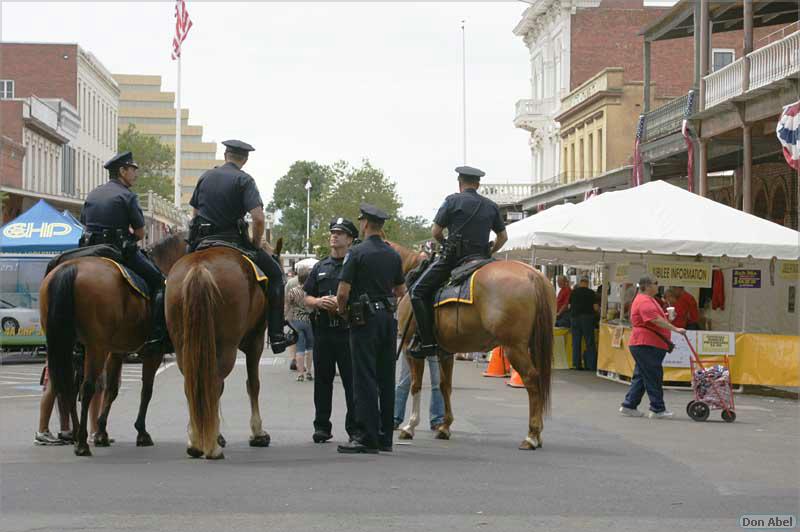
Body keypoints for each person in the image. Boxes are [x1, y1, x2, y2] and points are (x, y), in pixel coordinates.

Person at [187, 139, 294, 353]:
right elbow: (259, 218)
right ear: (244, 159)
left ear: (225, 155)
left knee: (168, 278)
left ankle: (163, 330)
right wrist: (255, 243)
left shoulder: (205, 177)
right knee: (275, 276)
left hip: (202, 241)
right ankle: (277, 335)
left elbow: (195, 214)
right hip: (233, 241)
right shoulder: (244, 180)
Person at [409, 166, 507, 356]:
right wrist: (490, 250)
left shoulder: (452, 201)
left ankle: (428, 343)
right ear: (478, 184)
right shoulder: (491, 205)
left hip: (455, 258)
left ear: (460, 183)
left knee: (417, 292)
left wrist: (446, 244)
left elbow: (435, 232)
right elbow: (503, 237)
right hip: (482, 259)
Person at [79, 151, 169, 349]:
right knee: (161, 283)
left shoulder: (93, 193)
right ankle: (156, 334)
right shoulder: (128, 196)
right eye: (132, 170)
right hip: (117, 251)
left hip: (88, 250)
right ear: (122, 171)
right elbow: (139, 233)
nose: (135, 174)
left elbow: (84, 222)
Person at [335, 204, 406, 454]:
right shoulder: (393, 254)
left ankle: (366, 436)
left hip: (363, 319)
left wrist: (343, 311)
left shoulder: (356, 253)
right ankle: (385, 436)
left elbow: (343, 291)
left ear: (365, 224)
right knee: (386, 377)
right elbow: (400, 291)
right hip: (387, 318)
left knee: (364, 377)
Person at [304, 217, 359, 444]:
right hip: (323, 333)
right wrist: (317, 302)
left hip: (347, 333)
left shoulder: (355, 264)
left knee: (351, 383)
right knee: (322, 383)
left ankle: (355, 428)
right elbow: (304, 295)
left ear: (350, 239)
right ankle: (322, 427)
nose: (334, 236)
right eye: (333, 232)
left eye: (340, 233)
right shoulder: (320, 266)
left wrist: (343, 304)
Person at [619, 275, 686, 419]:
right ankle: (657, 409)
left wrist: (668, 317)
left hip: (647, 343)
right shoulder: (644, 300)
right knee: (653, 376)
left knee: (642, 376)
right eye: (656, 283)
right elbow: (654, 320)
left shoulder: (647, 300)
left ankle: (629, 405)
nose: (658, 286)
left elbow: (656, 318)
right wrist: (675, 328)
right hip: (647, 344)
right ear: (647, 286)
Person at [393, 354, 444, 431]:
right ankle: (395, 417)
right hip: (412, 344)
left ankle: (438, 420)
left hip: (435, 345)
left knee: (438, 383)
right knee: (404, 381)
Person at [286, 262, 314, 382]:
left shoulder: (292, 291)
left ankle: (300, 374)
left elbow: (287, 306)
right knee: (309, 348)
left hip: (296, 321)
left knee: (299, 348)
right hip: (308, 321)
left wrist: (286, 317)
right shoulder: (311, 292)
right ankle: (308, 372)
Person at [569, 276, 599, 370]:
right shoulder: (591, 293)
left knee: (576, 342)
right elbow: (595, 307)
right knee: (589, 342)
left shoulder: (573, 292)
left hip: (575, 318)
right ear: (587, 283)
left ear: (580, 282)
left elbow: (569, 306)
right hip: (587, 318)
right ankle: (591, 365)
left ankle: (577, 364)